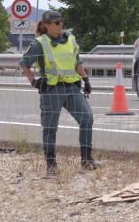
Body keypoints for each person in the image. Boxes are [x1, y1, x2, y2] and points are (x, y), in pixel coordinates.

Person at [19, 10, 96, 176]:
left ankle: (87, 159)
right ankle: (51, 164)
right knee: (50, 128)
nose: (60, 25)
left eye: (61, 22)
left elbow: (77, 62)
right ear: (46, 26)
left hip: (72, 88)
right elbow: (24, 64)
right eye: (56, 23)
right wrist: (34, 81)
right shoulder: (40, 43)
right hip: (51, 91)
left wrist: (86, 79)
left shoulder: (70, 40)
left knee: (87, 118)